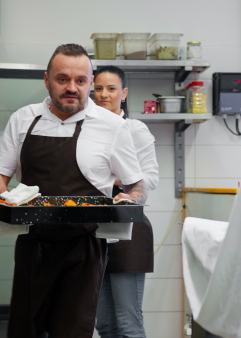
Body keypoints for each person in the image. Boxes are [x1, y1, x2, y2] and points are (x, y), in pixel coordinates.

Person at [0, 44, 147, 338]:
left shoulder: (112, 126)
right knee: (25, 330)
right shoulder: (23, 119)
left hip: (84, 250)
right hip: (33, 244)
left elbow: (136, 184)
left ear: (89, 81)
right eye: (62, 79)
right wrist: (8, 199)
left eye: (81, 81)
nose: (72, 88)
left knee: (71, 332)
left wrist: (130, 198)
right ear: (46, 79)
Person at [93, 66, 159, 338]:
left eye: (111, 89)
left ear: (124, 93)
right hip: (93, 229)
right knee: (104, 325)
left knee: (128, 323)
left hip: (128, 229)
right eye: (98, 88)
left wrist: (120, 185)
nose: (104, 95)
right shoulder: (85, 130)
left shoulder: (134, 129)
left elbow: (151, 178)